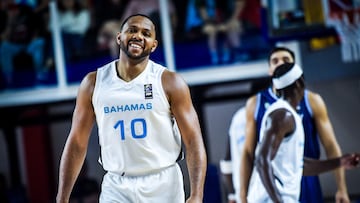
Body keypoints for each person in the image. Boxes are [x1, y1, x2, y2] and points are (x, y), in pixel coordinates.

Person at [56, 14, 207, 203]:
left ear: (154, 44)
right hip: (117, 184)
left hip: (163, 182)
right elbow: (77, 142)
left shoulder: (170, 82)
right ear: (119, 37)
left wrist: (197, 195)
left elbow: (193, 140)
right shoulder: (93, 83)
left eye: (146, 33)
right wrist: (61, 198)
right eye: (132, 30)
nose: (138, 36)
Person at [239, 46, 351, 203]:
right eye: (275, 61)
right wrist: (242, 195)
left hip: (299, 179)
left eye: (285, 60)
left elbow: (300, 163)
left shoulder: (302, 104)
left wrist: (339, 163)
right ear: (300, 83)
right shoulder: (280, 113)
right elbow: (257, 158)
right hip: (273, 188)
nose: (280, 64)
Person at [219, 106, 246, 203]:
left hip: (241, 191)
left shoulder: (238, 117)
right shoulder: (273, 111)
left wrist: (232, 195)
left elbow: (227, 162)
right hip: (268, 191)